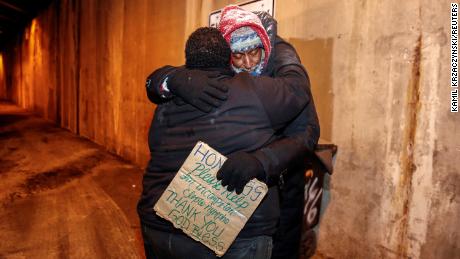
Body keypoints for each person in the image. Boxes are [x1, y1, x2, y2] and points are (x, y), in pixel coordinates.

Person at [145, 5, 320, 259]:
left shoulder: (278, 78)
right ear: (226, 56)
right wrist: (172, 78)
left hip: (282, 187)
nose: (249, 63)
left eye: (255, 52)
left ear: (266, 49)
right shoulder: (204, 84)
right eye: (238, 56)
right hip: (218, 215)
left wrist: (264, 160)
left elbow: (307, 131)